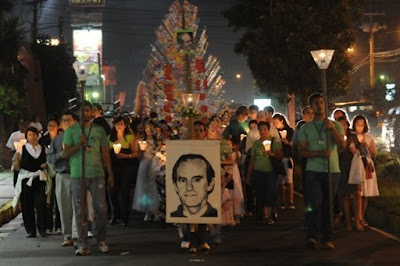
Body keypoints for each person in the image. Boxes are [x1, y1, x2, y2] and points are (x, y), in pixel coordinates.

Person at [63, 100, 115, 256]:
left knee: (101, 208)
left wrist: (110, 173)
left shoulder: (99, 131)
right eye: (82, 110)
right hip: (78, 175)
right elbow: (65, 153)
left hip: (97, 173)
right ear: (78, 113)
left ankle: (101, 239)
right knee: (80, 210)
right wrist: (79, 144)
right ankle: (82, 242)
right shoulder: (71, 131)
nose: (85, 113)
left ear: (92, 112)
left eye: (88, 110)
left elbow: (105, 153)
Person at [298, 93, 345, 250]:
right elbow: (302, 151)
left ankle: (328, 237)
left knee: (328, 205)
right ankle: (312, 235)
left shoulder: (335, 125)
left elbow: (342, 146)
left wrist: (332, 130)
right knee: (314, 203)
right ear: (311, 107)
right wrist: (319, 154)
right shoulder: (305, 128)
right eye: (315, 103)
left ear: (325, 105)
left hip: (332, 171)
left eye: (321, 102)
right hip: (313, 171)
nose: (319, 105)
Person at [47, 111, 79, 246]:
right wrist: (60, 155)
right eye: (64, 120)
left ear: (75, 122)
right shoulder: (57, 139)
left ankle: (78, 234)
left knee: (77, 206)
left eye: (70, 120)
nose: (67, 122)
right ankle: (68, 235)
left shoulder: (80, 137)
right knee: (64, 206)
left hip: (77, 174)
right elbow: (49, 157)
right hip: (62, 174)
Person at [12, 127, 47, 238]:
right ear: (27, 136)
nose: (32, 137)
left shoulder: (42, 148)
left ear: (38, 136)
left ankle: (42, 229)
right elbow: (18, 167)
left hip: (39, 178)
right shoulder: (22, 149)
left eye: (34, 134)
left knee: (41, 204)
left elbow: (46, 161)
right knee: (27, 205)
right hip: (26, 179)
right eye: (30, 135)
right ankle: (31, 230)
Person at [246, 121, 283, 224]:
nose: (262, 131)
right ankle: (264, 214)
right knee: (260, 192)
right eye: (260, 129)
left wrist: (272, 154)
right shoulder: (256, 144)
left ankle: (271, 213)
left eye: (264, 129)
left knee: (271, 191)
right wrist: (249, 175)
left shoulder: (274, 141)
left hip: (271, 171)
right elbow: (252, 160)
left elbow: (280, 155)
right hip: (259, 171)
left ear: (268, 130)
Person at [108, 115, 138, 226]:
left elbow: (135, 153)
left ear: (125, 125)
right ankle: (115, 215)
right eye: (117, 124)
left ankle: (125, 216)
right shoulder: (110, 138)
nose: (119, 126)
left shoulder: (129, 138)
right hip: (114, 166)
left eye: (121, 124)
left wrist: (126, 156)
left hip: (127, 167)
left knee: (125, 191)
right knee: (112, 191)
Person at [351, 114, 379, 228]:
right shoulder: (351, 137)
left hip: (367, 165)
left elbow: (374, 153)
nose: (360, 127)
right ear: (354, 125)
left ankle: (361, 216)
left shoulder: (369, 137)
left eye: (362, 124)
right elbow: (351, 151)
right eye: (358, 124)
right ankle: (357, 217)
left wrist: (367, 146)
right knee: (358, 193)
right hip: (357, 165)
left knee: (366, 194)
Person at [336, 116, 363, 232]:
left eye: (345, 124)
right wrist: (342, 147)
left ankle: (357, 221)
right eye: (341, 125)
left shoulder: (352, 137)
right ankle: (347, 222)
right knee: (346, 196)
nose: (344, 127)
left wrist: (356, 151)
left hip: (354, 167)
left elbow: (360, 149)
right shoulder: (336, 137)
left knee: (357, 194)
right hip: (343, 168)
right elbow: (335, 153)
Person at [170, 154, 217, 218]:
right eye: (183, 180)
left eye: (197, 180)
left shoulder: (218, 217)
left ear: (210, 184)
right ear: (175, 186)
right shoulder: (170, 220)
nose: (189, 187)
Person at [40, 117, 61, 235]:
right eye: (49, 126)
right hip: (47, 171)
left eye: (54, 125)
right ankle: (49, 225)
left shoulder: (61, 139)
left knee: (59, 198)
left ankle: (59, 225)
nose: (51, 128)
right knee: (48, 199)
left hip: (59, 169)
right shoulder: (43, 140)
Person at [273, 113, 295, 210]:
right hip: (278, 158)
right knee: (280, 181)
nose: (275, 124)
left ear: (282, 121)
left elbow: (294, 144)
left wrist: (287, 142)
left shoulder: (290, 131)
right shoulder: (274, 132)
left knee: (289, 180)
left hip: (287, 157)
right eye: (274, 123)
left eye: (276, 122)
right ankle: (282, 201)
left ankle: (290, 201)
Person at [6, 119, 29, 186]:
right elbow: (10, 148)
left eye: (26, 125)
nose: (24, 127)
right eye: (22, 125)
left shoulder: (30, 134)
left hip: (28, 158)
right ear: (19, 125)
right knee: (17, 173)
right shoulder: (14, 135)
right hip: (18, 157)